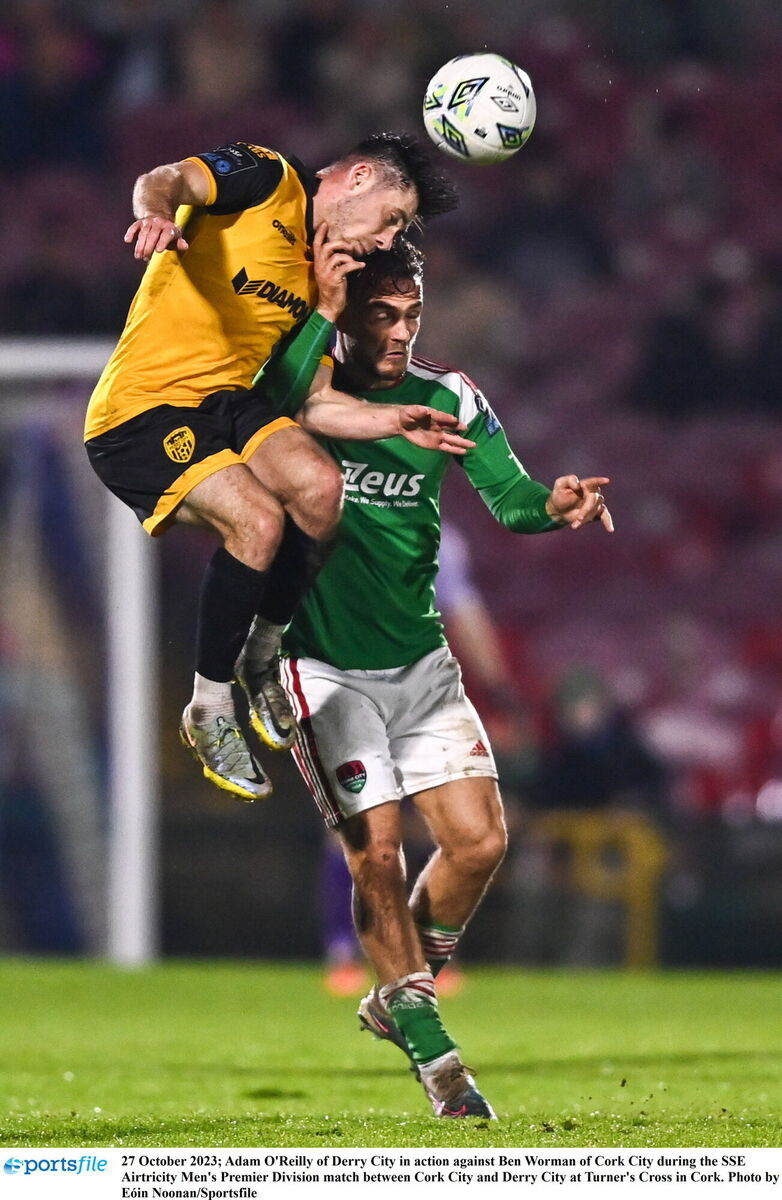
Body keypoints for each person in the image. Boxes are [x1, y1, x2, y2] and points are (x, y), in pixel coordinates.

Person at [248, 238, 613, 1118]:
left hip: (418, 658)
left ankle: (398, 993)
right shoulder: (303, 396)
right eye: (385, 314)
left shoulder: (449, 396)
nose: (404, 332)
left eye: (414, 315)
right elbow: (268, 403)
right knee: (375, 851)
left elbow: (512, 498)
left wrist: (553, 508)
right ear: (348, 311)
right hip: (320, 663)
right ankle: (439, 1062)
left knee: (481, 840)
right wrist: (325, 310)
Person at [84, 133, 462, 801]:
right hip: (143, 410)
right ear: (359, 179)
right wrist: (153, 214)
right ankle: (209, 707)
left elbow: (312, 403)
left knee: (322, 490)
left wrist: (392, 416)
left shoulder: (324, 274)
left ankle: (264, 657)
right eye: (392, 218)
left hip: (227, 403)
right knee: (257, 521)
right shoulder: (267, 180)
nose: (385, 239)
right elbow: (165, 175)